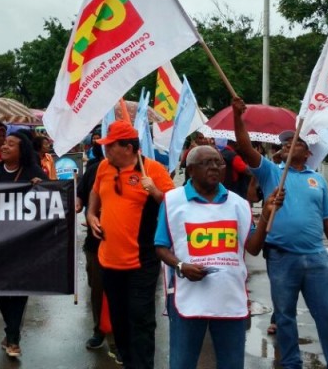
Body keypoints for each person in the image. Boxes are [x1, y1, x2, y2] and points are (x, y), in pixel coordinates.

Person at [230, 97, 328, 369]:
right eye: (284, 143)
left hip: (318, 258)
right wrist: (239, 118)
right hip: (282, 258)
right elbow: (246, 149)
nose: (287, 144)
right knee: (284, 316)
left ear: (307, 153)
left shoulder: (317, 179)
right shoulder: (271, 172)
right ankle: (291, 364)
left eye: (294, 142)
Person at [155, 145, 283, 369]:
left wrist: (265, 215)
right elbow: (161, 247)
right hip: (188, 298)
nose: (214, 167)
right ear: (191, 170)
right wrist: (181, 265)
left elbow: (253, 248)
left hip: (229, 298)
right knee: (182, 363)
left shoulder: (239, 204)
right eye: (207, 163)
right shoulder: (172, 201)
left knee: (232, 363)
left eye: (219, 162)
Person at [87, 120, 175, 369]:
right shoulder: (104, 166)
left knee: (141, 319)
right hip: (109, 260)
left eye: (110, 145)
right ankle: (127, 362)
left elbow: (175, 208)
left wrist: (155, 192)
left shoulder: (153, 170)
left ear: (127, 147)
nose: (105, 150)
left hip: (141, 262)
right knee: (119, 320)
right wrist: (91, 215)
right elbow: (95, 192)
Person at [0, 131, 46, 358]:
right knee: (0, 288)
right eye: (4, 143)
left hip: (23, 244)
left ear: (22, 151)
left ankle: (13, 339)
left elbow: (50, 200)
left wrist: (41, 187)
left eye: (11, 144)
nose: (4, 146)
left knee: (20, 288)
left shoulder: (33, 172)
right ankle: (11, 332)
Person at [75, 137, 118, 361]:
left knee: (121, 293)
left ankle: (118, 340)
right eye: (106, 145)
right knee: (98, 289)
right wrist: (80, 204)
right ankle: (99, 331)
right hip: (96, 242)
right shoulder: (95, 169)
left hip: (127, 247)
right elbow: (82, 194)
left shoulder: (142, 169)